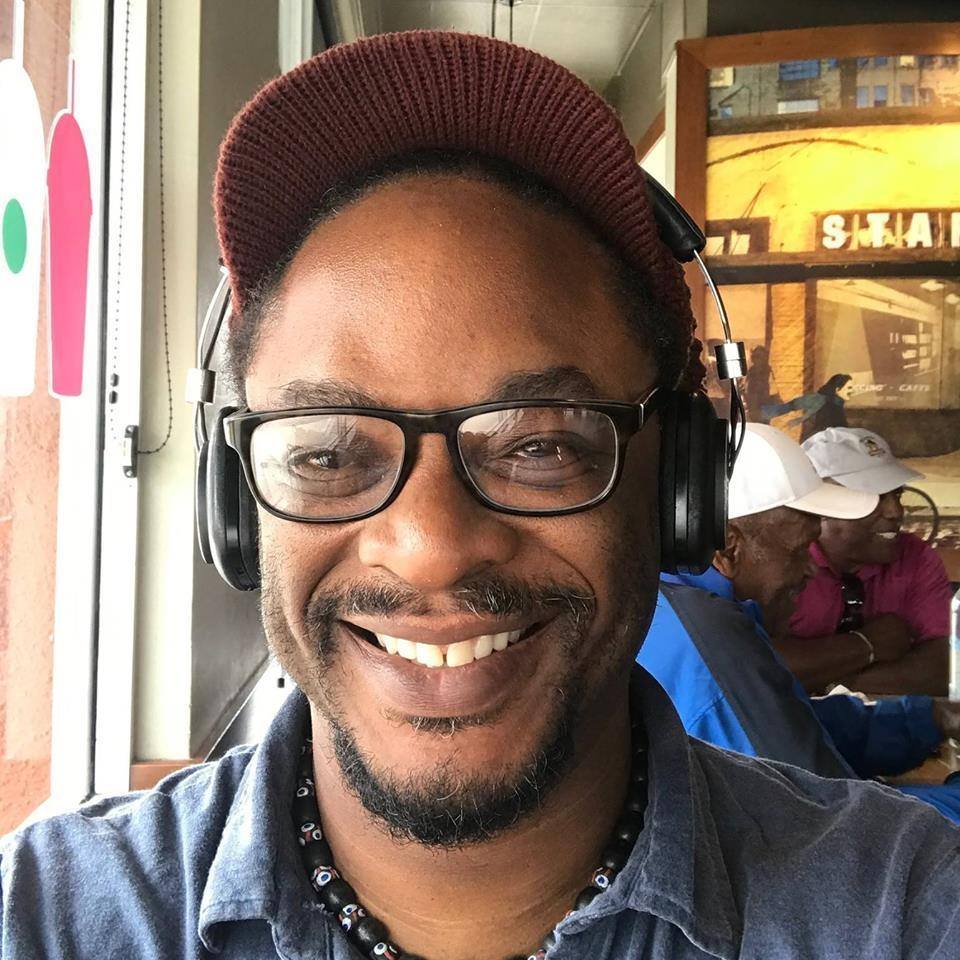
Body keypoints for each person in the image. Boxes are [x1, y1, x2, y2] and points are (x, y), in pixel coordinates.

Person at [4, 32, 960, 960]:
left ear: (678, 486)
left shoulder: (907, 909)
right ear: (236, 507)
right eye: (329, 453)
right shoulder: (48, 920)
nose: (429, 545)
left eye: (539, 445)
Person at [639, 423, 960, 823]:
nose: (810, 569)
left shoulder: (687, 605)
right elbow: (828, 828)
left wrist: (930, 718)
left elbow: (796, 724)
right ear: (729, 549)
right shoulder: (711, 650)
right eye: (799, 551)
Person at [784, 427, 951, 696]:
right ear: (819, 503)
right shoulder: (782, 561)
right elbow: (754, 664)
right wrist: (868, 644)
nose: (895, 511)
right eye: (873, 496)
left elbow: (942, 667)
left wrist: (828, 682)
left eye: (897, 495)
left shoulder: (915, 559)